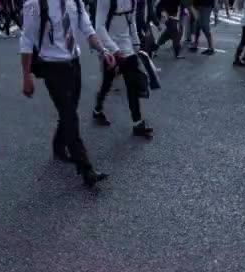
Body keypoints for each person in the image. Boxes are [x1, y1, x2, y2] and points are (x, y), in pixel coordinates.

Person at [20, 0, 116, 186]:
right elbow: (26, 39)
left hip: (74, 63)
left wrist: (103, 51)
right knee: (70, 116)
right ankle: (86, 168)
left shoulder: (75, 2)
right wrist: (26, 76)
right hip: (52, 67)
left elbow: (88, 30)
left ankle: (58, 145)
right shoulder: (35, 4)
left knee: (69, 111)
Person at [93, 0, 155, 137]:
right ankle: (97, 109)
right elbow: (99, 27)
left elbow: (131, 21)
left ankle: (137, 123)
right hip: (109, 47)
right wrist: (114, 49)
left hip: (127, 46)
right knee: (107, 82)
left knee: (132, 83)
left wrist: (136, 43)